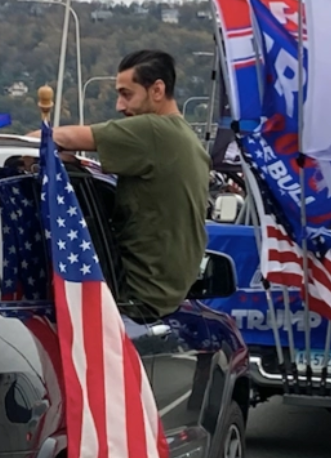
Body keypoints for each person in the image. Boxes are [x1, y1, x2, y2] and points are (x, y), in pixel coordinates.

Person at [37, 50, 211, 323]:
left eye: (126, 94)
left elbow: (64, 136)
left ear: (157, 90)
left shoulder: (155, 130)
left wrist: (12, 149)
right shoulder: (188, 139)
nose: (119, 105)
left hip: (130, 300)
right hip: (160, 302)